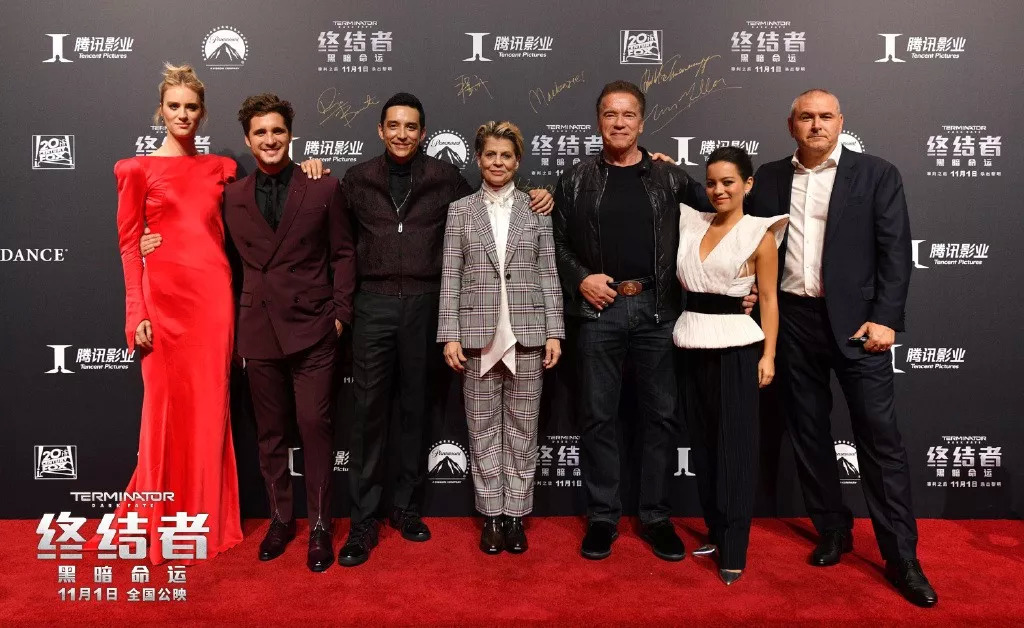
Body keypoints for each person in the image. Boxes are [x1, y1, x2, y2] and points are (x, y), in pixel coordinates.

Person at [338, 93, 554, 567]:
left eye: (411, 126)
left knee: (415, 409)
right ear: (380, 130)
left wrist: (541, 194)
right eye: (394, 125)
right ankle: (363, 522)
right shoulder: (356, 179)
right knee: (368, 414)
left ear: (423, 132)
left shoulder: (446, 179)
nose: (402, 134)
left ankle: (407, 508)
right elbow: (336, 242)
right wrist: (311, 170)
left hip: (423, 304)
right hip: (373, 304)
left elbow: (497, 207)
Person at [747, 89, 937, 607]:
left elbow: (895, 251)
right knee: (808, 434)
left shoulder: (877, 174)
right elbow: (731, 220)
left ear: (840, 122)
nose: (816, 125)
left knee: (880, 440)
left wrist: (886, 319)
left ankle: (902, 557)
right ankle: (832, 529)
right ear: (791, 125)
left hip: (859, 325)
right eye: (806, 117)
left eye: (825, 116)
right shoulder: (768, 178)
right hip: (792, 322)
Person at [552, 80, 713, 562]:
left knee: (660, 416)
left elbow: (721, 219)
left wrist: (749, 285)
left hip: (657, 310)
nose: (618, 123)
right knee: (597, 416)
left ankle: (656, 517)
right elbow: (554, 243)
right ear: (598, 121)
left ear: (642, 122)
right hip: (597, 310)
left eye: (627, 115)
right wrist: (581, 278)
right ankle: (603, 517)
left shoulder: (671, 178)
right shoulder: (574, 179)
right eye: (610, 114)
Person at [112, 63, 243, 564]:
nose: (183, 114)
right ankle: (158, 520)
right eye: (174, 106)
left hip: (212, 299)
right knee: (161, 410)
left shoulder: (221, 169)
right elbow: (129, 246)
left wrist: (311, 167)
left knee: (211, 408)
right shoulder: (136, 170)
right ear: (161, 110)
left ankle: (205, 521)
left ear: (202, 112)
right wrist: (136, 312)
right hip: (162, 302)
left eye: (191, 107)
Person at [220, 93, 354, 572]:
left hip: (314, 327)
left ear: (291, 135)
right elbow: (215, 256)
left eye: (277, 130)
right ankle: (280, 519)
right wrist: (148, 241)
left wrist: (340, 315)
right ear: (247, 139)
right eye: (260, 132)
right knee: (270, 432)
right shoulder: (231, 196)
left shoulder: (322, 187)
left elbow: (343, 253)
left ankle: (319, 525)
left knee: (315, 427)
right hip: (258, 329)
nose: (270, 139)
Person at [437, 121, 564, 555]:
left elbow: (548, 273)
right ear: (478, 158)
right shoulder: (460, 211)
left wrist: (554, 332)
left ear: (518, 160)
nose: (497, 162)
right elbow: (451, 276)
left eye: (506, 156)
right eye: (490, 154)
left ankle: (515, 516)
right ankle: (491, 515)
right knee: (482, 429)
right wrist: (450, 335)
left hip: (529, 335)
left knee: (524, 430)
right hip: (476, 337)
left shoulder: (537, 208)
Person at [674, 146, 787, 585]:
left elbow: (769, 299)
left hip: (737, 349)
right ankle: (716, 530)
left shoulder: (760, 234)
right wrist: (663, 162)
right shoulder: (692, 222)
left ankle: (735, 546)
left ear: (748, 184)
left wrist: (769, 354)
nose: (718, 190)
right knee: (703, 446)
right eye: (711, 183)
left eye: (728, 182)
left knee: (736, 450)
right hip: (690, 342)